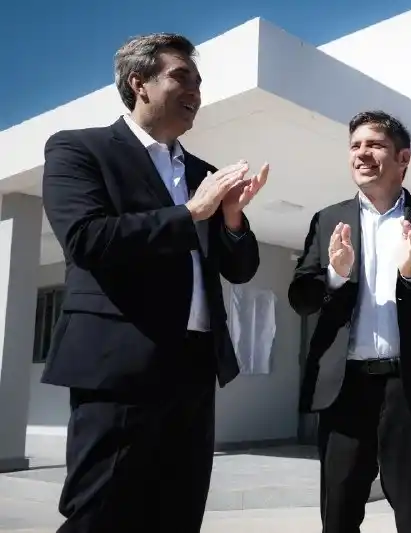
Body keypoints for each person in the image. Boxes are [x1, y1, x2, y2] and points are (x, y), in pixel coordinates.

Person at [41, 33, 267, 533]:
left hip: (193, 368)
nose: (195, 91)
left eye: (199, 82)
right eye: (181, 77)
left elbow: (240, 269)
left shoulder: (203, 173)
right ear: (138, 82)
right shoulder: (79, 149)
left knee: (178, 512)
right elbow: (86, 239)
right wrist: (192, 212)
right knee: (101, 512)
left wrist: (231, 221)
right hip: (120, 365)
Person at [288, 110, 411, 533]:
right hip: (344, 389)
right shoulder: (327, 219)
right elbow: (300, 297)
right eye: (355, 145)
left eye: (374, 145)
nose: (362, 153)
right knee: (338, 515)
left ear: (403, 157)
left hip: (410, 389)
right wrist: (334, 274)